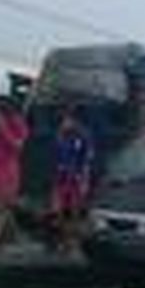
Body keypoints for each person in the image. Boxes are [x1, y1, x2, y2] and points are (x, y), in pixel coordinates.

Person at [0, 95, 28, 252]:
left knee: (2, 206)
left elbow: (17, 145)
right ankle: (9, 237)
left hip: (7, 168)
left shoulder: (18, 123)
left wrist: (2, 127)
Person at [52, 108, 92, 255]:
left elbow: (86, 160)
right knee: (60, 211)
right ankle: (63, 240)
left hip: (75, 178)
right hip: (62, 178)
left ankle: (73, 241)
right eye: (63, 121)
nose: (64, 124)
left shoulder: (83, 136)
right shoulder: (60, 136)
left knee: (73, 211)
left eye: (66, 121)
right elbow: (57, 157)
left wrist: (83, 180)